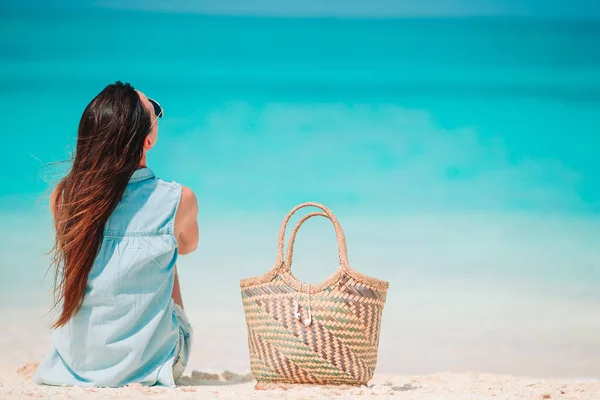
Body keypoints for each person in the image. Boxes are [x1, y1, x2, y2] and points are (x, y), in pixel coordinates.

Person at [33, 81, 199, 387]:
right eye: (155, 112)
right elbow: (188, 246)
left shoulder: (64, 197)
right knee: (168, 252)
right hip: (154, 367)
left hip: (73, 366)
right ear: (147, 141)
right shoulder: (179, 200)